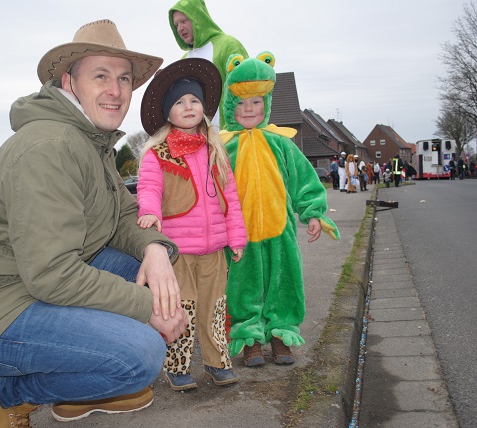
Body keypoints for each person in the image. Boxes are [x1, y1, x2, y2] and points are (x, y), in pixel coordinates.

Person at [0, 19, 189, 427]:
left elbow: (123, 214)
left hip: (30, 281)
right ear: (70, 82)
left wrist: (155, 249)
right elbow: (52, 273)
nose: (116, 90)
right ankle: (3, 394)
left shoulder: (91, 140)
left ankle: (79, 390)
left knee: (152, 273)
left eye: (124, 78)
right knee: (140, 355)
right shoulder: (51, 145)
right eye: (100, 76)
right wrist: (148, 308)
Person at [219, 52, 339, 367]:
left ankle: (281, 333)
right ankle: (250, 337)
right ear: (230, 106)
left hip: (280, 228)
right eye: (241, 103)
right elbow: (213, 190)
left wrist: (312, 212)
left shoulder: (281, 143)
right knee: (244, 286)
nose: (248, 109)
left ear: (267, 104)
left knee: (284, 280)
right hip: (240, 234)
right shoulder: (224, 147)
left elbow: (303, 179)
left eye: (256, 102)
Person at [137, 58, 247, 391]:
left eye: (194, 100)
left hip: (214, 250)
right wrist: (150, 212)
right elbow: (149, 188)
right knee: (179, 307)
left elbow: (231, 198)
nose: (188, 107)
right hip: (178, 251)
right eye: (179, 102)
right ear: (168, 113)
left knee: (215, 307)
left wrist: (236, 237)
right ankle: (177, 365)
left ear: (204, 109)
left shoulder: (216, 151)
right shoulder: (158, 154)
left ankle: (217, 362)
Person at [169, 0, 248, 130]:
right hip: (199, 139)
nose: (179, 28)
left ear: (198, 18)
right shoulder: (183, 61)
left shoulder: (227, 45)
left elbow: (247, 88)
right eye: (176, 24)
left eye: (184, 21)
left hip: (230, 135)